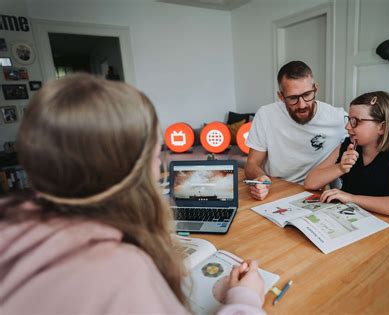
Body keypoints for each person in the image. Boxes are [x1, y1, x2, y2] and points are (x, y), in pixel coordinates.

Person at [0, 74, 265, 314]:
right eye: (156, 150)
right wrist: (244, 299)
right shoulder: (121, 273)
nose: (160, 162)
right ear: (136, 168)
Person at [245, 61, 389, 201]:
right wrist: (261, 179)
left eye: (307, 95)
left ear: (315, 89)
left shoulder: (338, 118)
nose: (302, 104)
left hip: (313, 194)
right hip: (276, 191)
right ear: (281, 96)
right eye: (293, 98)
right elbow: (252, 164)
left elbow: (384, 130)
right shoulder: (266, 114)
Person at [304, 91, 389, 220]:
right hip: (349, 219)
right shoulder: (347, 145)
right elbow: (310, 183)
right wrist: (340, 168)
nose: (347, 126)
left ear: (382, 127)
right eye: (349, 120)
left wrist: (351, 198)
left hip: (388, 226)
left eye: (356, 121)